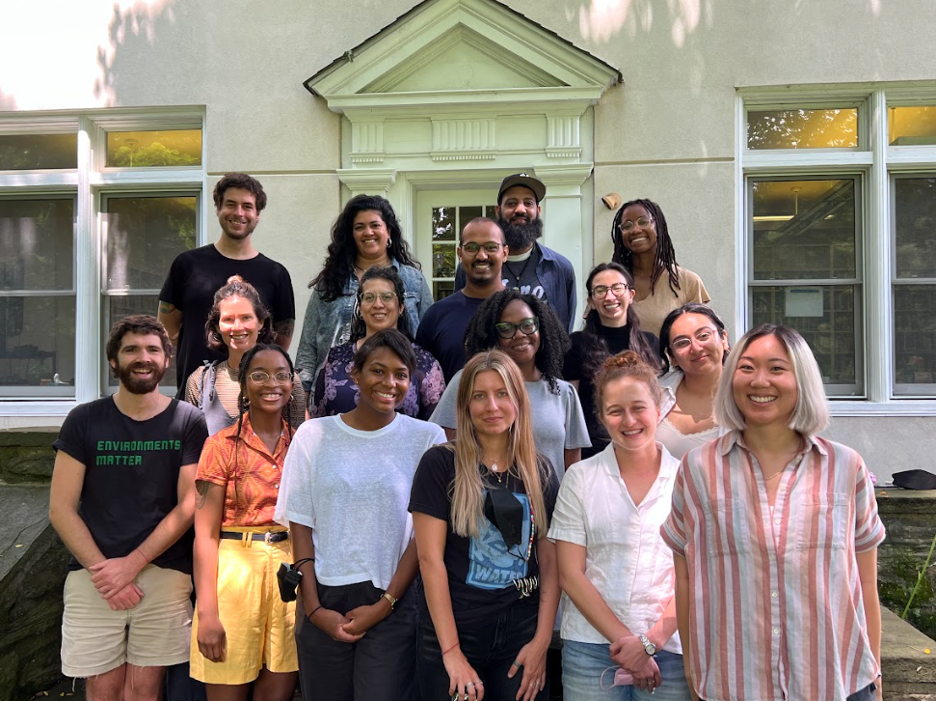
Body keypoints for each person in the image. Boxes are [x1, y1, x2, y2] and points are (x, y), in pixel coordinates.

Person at [662, 324, 885, 701]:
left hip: (837, 682)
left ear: (802, 380)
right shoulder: (698, 471)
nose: (759, 381)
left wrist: (875, 676)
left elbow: (864, 583)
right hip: (734, 685)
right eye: (746, 367)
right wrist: (694, 672)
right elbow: (685, 579)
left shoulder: (846, 467)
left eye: (777, 368)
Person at [276, 329, 446, 701]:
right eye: (377, 371)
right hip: (322, 593)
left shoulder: (428, 438)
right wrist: (315, 608)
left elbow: (424, 536)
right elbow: (300, 524)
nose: (390, 383)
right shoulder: (313, 435)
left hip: (393, 599)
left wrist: (385, 605)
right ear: (355, 374)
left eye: (401, 374)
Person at [49, 315, 208, 700]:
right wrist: (106, 573)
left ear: (166, 360)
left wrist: (131, 566)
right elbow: (61, 508)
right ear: (113, 361)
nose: (143, 357)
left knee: (145, 690)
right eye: (131, 349)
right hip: (94, 574)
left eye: (153, 349)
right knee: (103, 689)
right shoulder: (84, 420)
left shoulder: (188, 420)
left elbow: (189, 504)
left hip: (163, 572)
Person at [410, 350, 561, 702]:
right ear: (465, 405)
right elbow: (429, 561)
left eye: (502, 393)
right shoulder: (440, 464)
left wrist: (540, 643)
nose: (491, 406)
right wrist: (452, 653)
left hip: (522, 633)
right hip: (454, 632)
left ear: (518, 401)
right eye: (479, 395)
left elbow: (551, 562)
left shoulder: (540, 473)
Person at [548, 351, 689, 701]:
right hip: (591, 651)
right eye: (615, 411)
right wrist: (627, 644)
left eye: (638, 407)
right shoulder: (580, 478)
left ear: (660, 408)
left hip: (670, 648)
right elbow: (570, 573)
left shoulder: (688, 480)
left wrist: (650, 642)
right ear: (600, 417)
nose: (629, 420)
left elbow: (698, 572)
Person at [190, 343, 299, 700]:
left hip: (289, 576)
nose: (273, 383)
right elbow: (204, 535)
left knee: (278, 690)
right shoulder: (220, 446)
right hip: (233, 576)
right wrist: (207, 612)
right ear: (244, 384)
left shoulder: (302, 444)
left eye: (282, 375)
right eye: (260, 375)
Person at [159, 173, 296, 395]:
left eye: (247, 206)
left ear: (257, 214)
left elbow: (280, 341)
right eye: (231, 204)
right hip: (196, 397)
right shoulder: (186, 264)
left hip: (256, 399)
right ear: (218, 209)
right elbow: (167, 330)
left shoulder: (276, 274)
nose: (239, 213)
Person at [431, 289, 590, 478]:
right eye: (506, 329)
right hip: (483, 503)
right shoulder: (467, 381)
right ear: (493, 335)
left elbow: (573, 469)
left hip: (550, 505)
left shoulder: (563, 393)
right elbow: (444, 449)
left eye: (528, 324)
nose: (520, 334)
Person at [296, 194, 432, 396]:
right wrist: (302, 395)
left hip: (397, 391)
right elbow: (308, 345)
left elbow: (427, 340)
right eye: (359, 227)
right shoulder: (331, 281)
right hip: (335, 392)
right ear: (351, 234)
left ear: (389, 231)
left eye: (375, 225)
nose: (368, 232)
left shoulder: (413, 280)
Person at [311, 265, 445, 420]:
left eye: (386, 297)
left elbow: (436, 425)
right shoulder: (335, 359)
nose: (378, 304)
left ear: (401, 307)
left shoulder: (424, 363)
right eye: (369, 297)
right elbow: (319, 419)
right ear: (360, 308)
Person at [454, 173, 576, 333]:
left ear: (538, 210)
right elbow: (461, 322)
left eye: (528, 203)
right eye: (511, 203)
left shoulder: (559, 268)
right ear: (498, 210)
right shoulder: (471, 267)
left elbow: (564, 331)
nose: (520, 209)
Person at [183, 276, 305, 436]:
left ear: (260, 322)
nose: (237, 327)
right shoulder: (200, 382)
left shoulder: (285, 380)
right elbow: (193, 451)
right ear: (217, 326)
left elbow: (297, 448)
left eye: (246, 317)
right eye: (228, 319)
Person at [563, 263, 659, 459]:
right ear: (591, 300)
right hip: (593, 452)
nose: (609, 296)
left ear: (631, 294)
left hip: (643, 447)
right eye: (600, 290)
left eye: (617, 288)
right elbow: (570, 410)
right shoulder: (575, 344)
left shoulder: (651, 343)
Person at [416, 217, 508, 382]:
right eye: (472, 247)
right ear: (460, 253)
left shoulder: (522, 312)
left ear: (505, 253)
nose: (481, 255)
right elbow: (421, 383)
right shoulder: (436, 315)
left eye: (491, 247)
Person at [610, 198, 709, 337]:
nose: (635, 230)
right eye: (627, 226)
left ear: (659, 227)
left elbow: (701, 337)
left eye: (643, 222)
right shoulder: (608, 283)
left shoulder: (687, 281)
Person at [655, 303, 730, 459]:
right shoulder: (654, 392)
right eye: (682, 342)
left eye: (703, 336)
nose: (695, 348)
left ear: (723, 339)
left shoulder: (748, 395)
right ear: (672, 356)